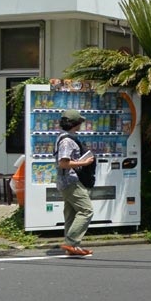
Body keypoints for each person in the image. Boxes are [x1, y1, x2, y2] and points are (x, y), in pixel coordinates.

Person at [55, 109, 95, 256]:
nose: (81, 125)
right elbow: (63, 163)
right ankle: (71, 242)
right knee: (86, 210)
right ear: (75, 123)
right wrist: (84, 162)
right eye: (80, 122)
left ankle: (72, 247)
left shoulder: (66, 137)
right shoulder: (67, 141)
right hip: (70, 180)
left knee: (71, 213)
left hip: (66, 181)